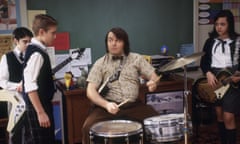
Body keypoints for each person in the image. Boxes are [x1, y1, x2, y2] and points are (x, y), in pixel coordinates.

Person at [82, 27, 160, 144]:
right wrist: (106, 104)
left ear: (125, 43)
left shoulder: (137, 59)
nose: (113, 43)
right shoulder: (100, 63)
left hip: (133, 106)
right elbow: (90, 91)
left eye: (118, 40)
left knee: (156, 123)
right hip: (107, 108)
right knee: (87, 128)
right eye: (110, 40)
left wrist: (153, 83)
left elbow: (154, 76)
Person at [200, 10, 240, 144]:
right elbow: (204, 62)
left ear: (230, 25)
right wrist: (208, 73)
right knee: (220, 115)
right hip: (216, 81)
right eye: (217, 24)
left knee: (228, 116)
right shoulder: (210, 41)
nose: (219, 27)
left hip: (232, 81)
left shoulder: (238, 41)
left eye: (222, 24)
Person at [22, 14, 57, 144]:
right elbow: (30, 85)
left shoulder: (35, 50)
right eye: (53, 33)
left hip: (40, 105)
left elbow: (27, 76)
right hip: (38, 106)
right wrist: (41, 112)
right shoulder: (37, 54)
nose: (55, 36)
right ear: (42, 32)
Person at [0, 27, 33, 144]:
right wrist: (16, 86)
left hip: (30, 99)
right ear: (15, 41)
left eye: (30, 41)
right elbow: (2, 81)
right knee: (15, 132)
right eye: (25, 41)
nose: (28, 44)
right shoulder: (7, 58)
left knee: (30, 132)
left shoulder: (32, 57)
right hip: (15, 100)